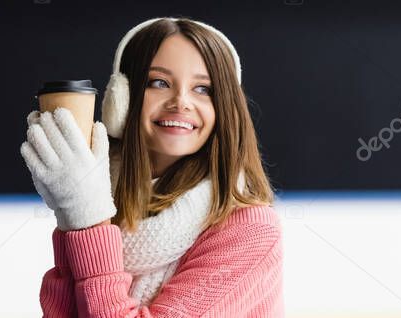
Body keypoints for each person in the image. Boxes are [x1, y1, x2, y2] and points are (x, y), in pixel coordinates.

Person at [20, 17, 282, 317]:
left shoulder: (250, 229)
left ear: (224, 108)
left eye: (203, 89)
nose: (181, 102)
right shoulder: (93, 194)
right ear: (123, 99)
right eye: (160, 83)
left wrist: (88, 221)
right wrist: (75, 215)